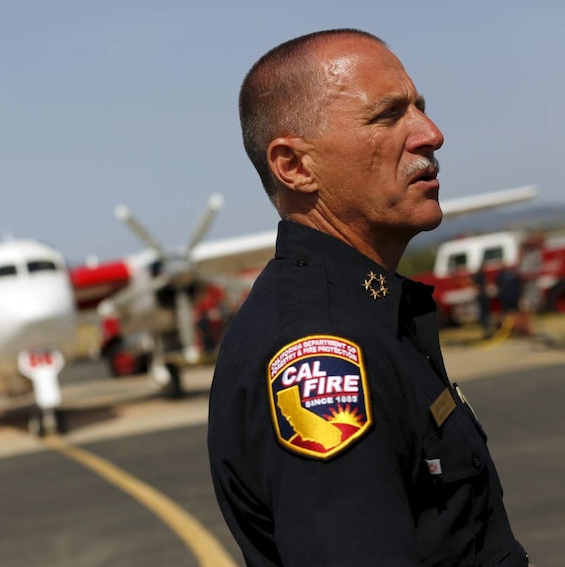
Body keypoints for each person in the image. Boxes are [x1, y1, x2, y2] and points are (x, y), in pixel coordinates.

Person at [207, 29, 528, 566]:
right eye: (387, 116)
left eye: (420, 109)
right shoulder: (321, 349)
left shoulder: (368, 314)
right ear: (295, 167)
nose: (431, 134)